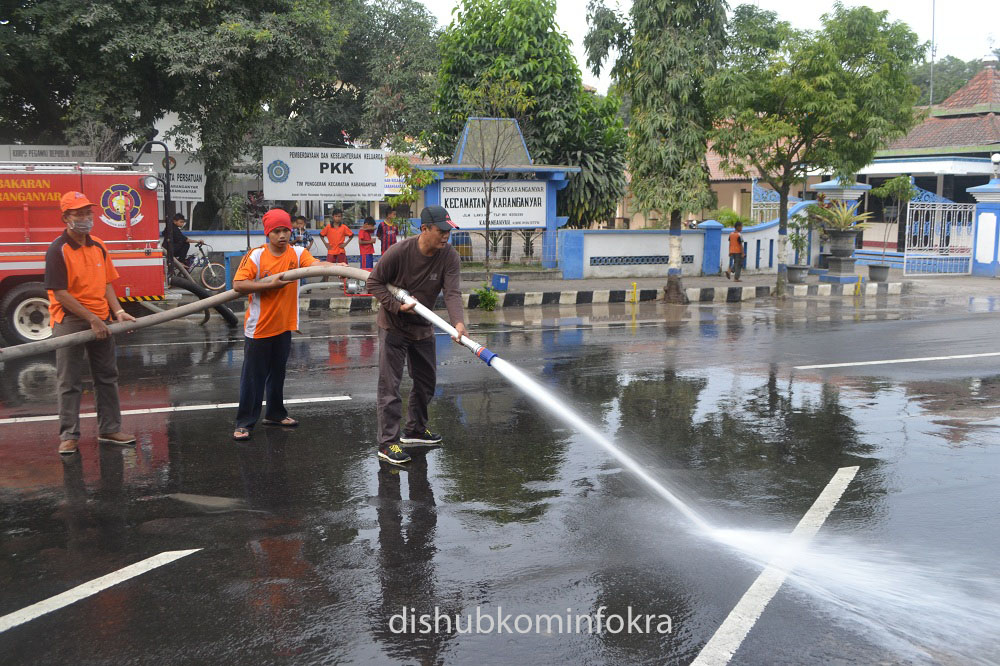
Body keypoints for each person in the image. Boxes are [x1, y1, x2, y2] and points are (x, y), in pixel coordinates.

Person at [366, 205, 468, 465]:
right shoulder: (400, 252)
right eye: (441, 230)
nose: (446, 236)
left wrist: (458, 323)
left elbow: (452, 292)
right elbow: (374, 282)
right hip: (394, 326)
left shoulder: (449, 257)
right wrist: (395, 305)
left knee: (426, 381)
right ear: (425, 229)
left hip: (423, 326)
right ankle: (388, 443)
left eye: (449, 231)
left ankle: (415, 430)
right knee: (390, 386)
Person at [45, 191, 137, 454]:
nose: (85, 218)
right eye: (79, 214)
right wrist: (92, 319)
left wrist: (117, 311)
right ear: (66, 218)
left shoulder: (98, 244)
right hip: (71, 319)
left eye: (88, 213)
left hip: (101, 317)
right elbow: (60, 292)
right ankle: (69, 435)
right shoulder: (57, 250)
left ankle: (109, 429)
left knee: (107, 376)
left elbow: (107, 282)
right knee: (69, 380)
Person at [231, 208, 329, 441]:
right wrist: (268, 285)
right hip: (260, 328)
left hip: (284, 326)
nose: (282, 235)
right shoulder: (256, 255)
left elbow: (313, 264)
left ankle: (275, 413)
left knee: (277, 374)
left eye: (286, 230)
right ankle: (244, 422)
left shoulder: (297, 253)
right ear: (268, 233)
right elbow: (238, 284)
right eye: (277, 231)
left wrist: (333, 267)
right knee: (253, 378)